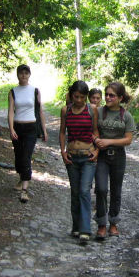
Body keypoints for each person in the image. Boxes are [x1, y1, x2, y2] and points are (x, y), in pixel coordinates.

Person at [59, 81, 99, 244]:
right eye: (76, 96)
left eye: (83, 97)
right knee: (75, 192)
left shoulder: (92, 109)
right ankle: (76, 227)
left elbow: (96, 131)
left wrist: (97, 151)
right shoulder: (65, 110)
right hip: (72, 156)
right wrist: (63, 152)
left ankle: (85, 230)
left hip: (88, 156)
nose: (79, 100)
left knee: (84, 191)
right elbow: (62, 132)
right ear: (71, 95)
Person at [94, 82, 135, 239]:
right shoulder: (98, 111)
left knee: (116, 191)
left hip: (118, 156)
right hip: (102, 156)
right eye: (107, 94)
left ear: (120, 98)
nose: (108, 97)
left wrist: (109, 142)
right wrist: (96, 139)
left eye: (112, 95)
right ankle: (101, 224)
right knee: (101, 189)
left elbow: (128, 140)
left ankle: (113, 223)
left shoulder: (126, 116)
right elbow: (91, 129)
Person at [8, 64, 48, 203]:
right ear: (17, 75)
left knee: (26, 157)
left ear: (29, 74)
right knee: (19, 157)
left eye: (26, 73)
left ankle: (24, 190)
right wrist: (11, 128)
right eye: (21, 73)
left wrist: (44, 130)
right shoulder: (13, 92)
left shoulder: (35, 91)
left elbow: (40, 111)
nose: (24, 75)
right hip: (18, 127)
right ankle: (21, 177)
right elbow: (10, 112)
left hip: (31, 127)